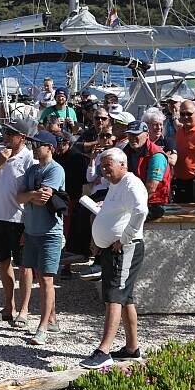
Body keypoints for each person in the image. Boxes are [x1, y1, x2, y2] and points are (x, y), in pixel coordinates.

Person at [80, 148, 148, 368]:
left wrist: (125, 238)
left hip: (125, 249)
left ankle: (104, 351)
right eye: (102, 166)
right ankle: (132, 348)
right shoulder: (116, 184)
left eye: (108, 166)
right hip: (113, 249)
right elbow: (122, 210)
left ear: (122, 165)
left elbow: (140, 211)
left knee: (114, 297)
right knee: (125, 298)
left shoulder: (131, 183)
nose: (104, 170)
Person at [0, 118, 35, 326]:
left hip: (20, 220)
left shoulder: (29, 159)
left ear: (22, 137)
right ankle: (8, 307)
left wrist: (28, 226)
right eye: (5, 132)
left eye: (11, 134)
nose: (6, 137)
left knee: (24, 267)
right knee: (3, 263)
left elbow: (31, 195)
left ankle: (24, 309)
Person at [17, 131, 66, 346]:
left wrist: (30, 195)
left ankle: (43, 327)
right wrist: (31, 195)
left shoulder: (55, 169)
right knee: (36, 273)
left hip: (50, 232)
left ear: (50, 147)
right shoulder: (31, 169)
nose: (33, 147)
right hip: (31, 230)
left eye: (38, 144)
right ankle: (52, 319)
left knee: (46, 280)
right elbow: (20, 197)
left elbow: (44, 196)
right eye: (32, 143)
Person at [124, 120, 171, 215]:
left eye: (136, 134)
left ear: (147, 135)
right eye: (130, 134)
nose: (132, 138)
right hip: (132, 200)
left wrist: (130, 204)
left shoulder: (157, 155)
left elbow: (151, 188)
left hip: (154, 203)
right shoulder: (126, 150)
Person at [171, 99, 195, 203]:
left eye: (189, 113)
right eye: (182, 114)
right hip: (179, 181)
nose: (185, 117)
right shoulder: (179, 131)